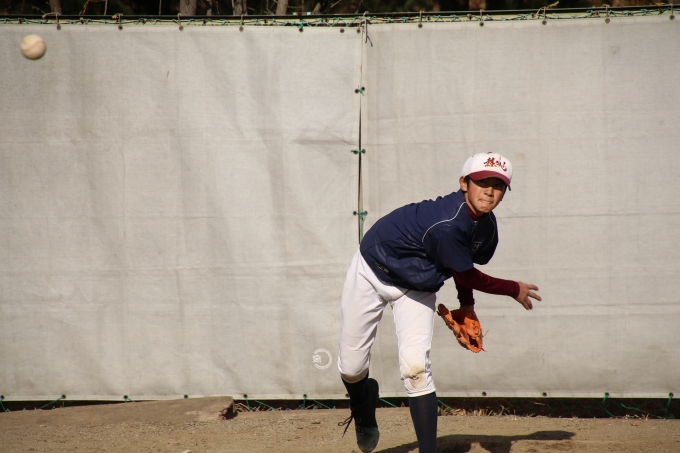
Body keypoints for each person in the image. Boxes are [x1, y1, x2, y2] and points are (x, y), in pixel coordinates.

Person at [337, 152, 542, 453]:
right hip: (372, 270)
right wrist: (513, 288)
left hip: (416, 287)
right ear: (464, 183)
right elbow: (467, 274)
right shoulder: (448, 222)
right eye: (482, 182)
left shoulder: (486, 228)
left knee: (416, 369)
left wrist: (466, 306)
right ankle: (363, 403)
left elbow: (461, 263)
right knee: (351, 368)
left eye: (498, 185)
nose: (489, 191)